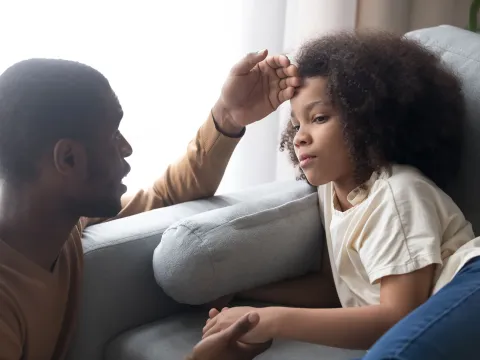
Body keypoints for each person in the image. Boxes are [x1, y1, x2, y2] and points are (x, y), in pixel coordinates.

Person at [0, 51, 300, 360]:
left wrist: (227, 116)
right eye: (113, 134)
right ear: (68, 159)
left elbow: (165, 197)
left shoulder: (56, 223)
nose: (127, 148)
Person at [202, 30, 480, 352]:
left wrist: (270, 320)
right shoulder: (331, 193)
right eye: (296, 125)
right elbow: (335, 289)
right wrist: (247, 296)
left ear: (367, 119)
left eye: (318, 118)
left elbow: (399, 318)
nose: (299, 137)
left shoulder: (397, 193)